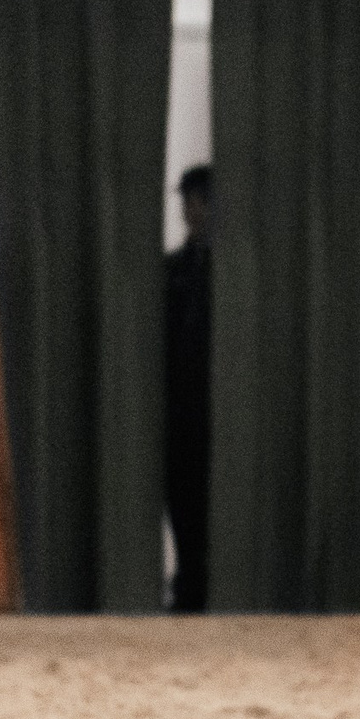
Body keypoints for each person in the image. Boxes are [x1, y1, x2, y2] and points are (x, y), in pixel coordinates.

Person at [163, 164, 213, 613]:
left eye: (197, 200)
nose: (190, 211)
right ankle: (188, 588)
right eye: (187, 201)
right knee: (183, 510)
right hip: (178, 417)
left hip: (215, 416)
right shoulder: (170, 273)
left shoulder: (233, 280)